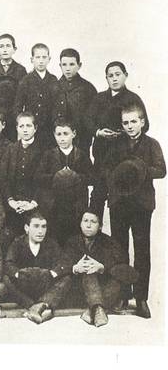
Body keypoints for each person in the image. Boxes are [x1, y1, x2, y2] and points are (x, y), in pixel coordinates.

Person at [99, 104, 165, 318]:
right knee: (119, 250)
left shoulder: (151, 144)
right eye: (125, 122)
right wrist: (117, 179)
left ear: (142, 121)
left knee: (142, 251)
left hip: (141, 204)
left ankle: (141, 298)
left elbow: (162, 170)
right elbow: (106, 168)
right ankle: (122, 294)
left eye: (133, 121)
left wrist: (138, 170)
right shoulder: (116, 144)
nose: (129, 126)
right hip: (119, 203)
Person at [59, 211, 137, 327]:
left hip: (104, 289)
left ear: (100, 226)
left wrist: (102, 267)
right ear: (80, 224)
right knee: (88, 272)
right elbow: (62, 264)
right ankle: (98, 309)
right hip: (81, 292)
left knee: (115, 279)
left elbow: (128, 271)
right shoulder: (72, 242)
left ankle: (93, 310)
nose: (88, 225)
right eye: (85, 221)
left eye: (93, 222)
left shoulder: (109, 242)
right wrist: (75, 268)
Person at [4, 212, 71, 324]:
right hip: (25, 286)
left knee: (67, 278)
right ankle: (31, 305)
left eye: (43, 227)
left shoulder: (51, 243)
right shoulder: (18, 243)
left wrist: (52, 273)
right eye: (36, 226)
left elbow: (63, 263)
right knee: (6, 279)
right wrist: (19, 274)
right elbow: (8, 264)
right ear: (27, 228)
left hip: (44, 285)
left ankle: (42, 304)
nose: (40, 231)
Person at [35, 118, 92, 244]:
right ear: (54, 135)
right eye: (58, 134)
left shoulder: (81, 155)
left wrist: (75, 176)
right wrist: (56, 177)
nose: (62, 138)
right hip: (54, 207)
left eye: (66, 134)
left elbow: (91, 177)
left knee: (74, 239)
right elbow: (38, 176)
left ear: (74, 134)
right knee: (54, 238)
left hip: (75, 207)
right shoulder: (48, 155)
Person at [87, 61, 149, 169]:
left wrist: (127, 132)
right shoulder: (99, 98)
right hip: (101, 152)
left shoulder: (134, 99)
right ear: (106, 78)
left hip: (126, 154)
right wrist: (98, 132)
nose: (114, 79)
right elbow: (87, 120)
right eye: (110, 76)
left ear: (125, 75)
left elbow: (145, 125)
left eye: (118, 74)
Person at [0, 112, 44, 251]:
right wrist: (11, 201)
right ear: (17, 128)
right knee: (6, 239)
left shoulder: (43, 151)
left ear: (35, 128)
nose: (25, 129)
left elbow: (44, 182)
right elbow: (3, 178)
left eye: (28, 126)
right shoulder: (10, 149)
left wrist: (33, 203)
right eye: (21, 126)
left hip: (34, 205)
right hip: (13, 206)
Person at [50, 48, 97, 152]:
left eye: (71, 64)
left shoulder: (88, 88)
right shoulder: (54, 87)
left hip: (81, 139)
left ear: (79, 65)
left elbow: (93, 116)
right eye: (64, 65)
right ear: (60, 66)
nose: (67, 68)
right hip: (58, 140)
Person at [12, 43, 57, 148]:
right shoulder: (26, 80)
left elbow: (57, 105)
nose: (41, 61)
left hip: (49, 129)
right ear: (32, 59)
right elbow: (17, 106)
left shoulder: (53, 80)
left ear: (49, 59)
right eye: (37, 57)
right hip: (31, 129)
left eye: (44, 57)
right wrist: (23, 126)